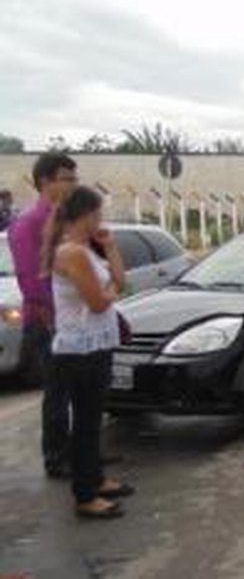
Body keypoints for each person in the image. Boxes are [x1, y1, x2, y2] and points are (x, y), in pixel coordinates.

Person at [46, 186, 134, 519]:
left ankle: (96, 478)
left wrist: (110, 246)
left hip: (97, 344)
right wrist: (110, 291)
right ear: (85, 215)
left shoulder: (88, 249)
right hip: (79, 350)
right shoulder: (71, 253)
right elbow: (98, 302)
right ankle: (84, 495)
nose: (102, 218)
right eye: (98, 213)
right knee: (85, 422)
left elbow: (120, 282)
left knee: (92, 419)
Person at [7, 153, 78, 478]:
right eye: (67, 178)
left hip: (76, 319)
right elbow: (31, 281)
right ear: (46, 181)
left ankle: (83, 451)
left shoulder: (68, 221)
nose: (73, 185)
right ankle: (57, 456)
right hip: (47, 321)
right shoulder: (28, 224)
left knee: (80, 390)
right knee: (58, 392)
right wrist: (59, 315)